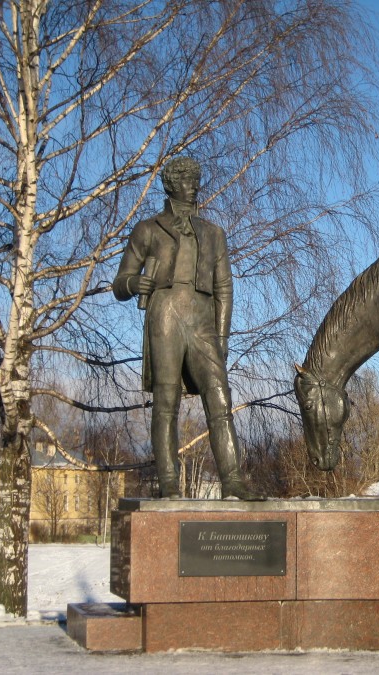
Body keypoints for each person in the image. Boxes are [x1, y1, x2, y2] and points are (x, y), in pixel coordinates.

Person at [113, 157, 262, 500]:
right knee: (166, 402)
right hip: (164, 314)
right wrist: (135, 282)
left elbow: (224, 287)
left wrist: (222, 336)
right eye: (184, 179)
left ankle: (233, 481)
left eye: (195, 178)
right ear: (169, 185)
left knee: (219, 398)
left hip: (202, 320)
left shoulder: (213, 233)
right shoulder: (148, 229)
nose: (193, 184)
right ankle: (168, 482)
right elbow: (119, 283)